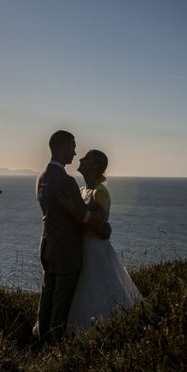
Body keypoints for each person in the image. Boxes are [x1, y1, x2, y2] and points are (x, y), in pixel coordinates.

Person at [34, 130, 111, 344]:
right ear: (62, 147)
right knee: (61, 304)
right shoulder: (66, 181)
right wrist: (105, 228)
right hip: (67, 252)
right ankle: (53, 348)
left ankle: (41, 343)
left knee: (46, 300)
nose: (75, 152)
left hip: (48, 247)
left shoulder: (40, 177)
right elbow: (81, 217)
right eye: (72, 147)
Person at [60, 149, 142, 334]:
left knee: (99, 290)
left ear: (96, 166)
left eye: (87, 158)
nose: (80, 159)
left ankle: (106, 331)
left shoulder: (100, 192)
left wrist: (73, 210)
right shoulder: (82, 190)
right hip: (83, 249)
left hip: (95, 250)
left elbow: (100, 223)